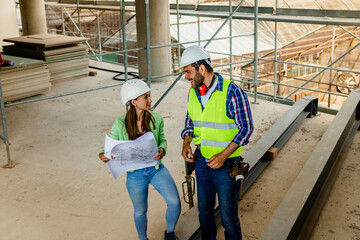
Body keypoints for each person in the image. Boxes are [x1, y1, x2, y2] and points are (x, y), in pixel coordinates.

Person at [180, 45, 254, 240]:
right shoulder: (193, 93)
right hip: (202, 162)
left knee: (229, 218)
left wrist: (223, 155)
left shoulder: (232, 92)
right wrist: (186, 143)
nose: (186, 77)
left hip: (225, 167)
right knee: (204, 213)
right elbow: (190, 121)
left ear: (201, 68)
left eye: (188, 71)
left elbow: (246, 128)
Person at [99, 79, 181, 240]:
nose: (150, 100)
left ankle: (169, 232)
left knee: (175, 203)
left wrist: (162, 150)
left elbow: (162, 140)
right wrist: (106, 156)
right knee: (140, 211)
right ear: (134, 101)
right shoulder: (120, 124)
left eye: (149, 96)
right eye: (145, 97)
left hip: (156, 169)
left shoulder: (156, 118)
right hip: (134, 174)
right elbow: (105, 152)